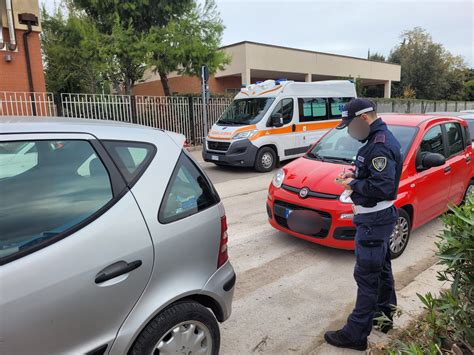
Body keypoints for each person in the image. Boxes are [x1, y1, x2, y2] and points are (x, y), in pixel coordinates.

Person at [325, 98, 403, 351]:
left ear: (364, 119)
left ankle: (356, 334)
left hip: (373, 220)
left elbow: (383, 187)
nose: (350, 130)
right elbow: (375, 175)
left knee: (366, 277)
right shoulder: (376, 140)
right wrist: (355, 175)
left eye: (351, 125)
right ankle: (385, 317)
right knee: (381, 270)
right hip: (378, 219)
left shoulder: (379, 145)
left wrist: (351, 185)